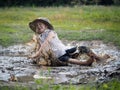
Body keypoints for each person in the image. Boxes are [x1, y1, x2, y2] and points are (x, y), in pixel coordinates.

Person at [28, 17, 109, 66]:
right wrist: (36, 57)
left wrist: (37, 54)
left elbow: (46, 42)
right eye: (37, 25)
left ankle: (98, 58)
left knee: (82, 48)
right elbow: (39, 48)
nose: (38, 26)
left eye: (40, 24)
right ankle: (85, 63)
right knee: (69, 60)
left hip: (64, 50)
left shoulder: (51, 32)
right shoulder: (39, 37)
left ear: (46, 26)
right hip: (58, 56)